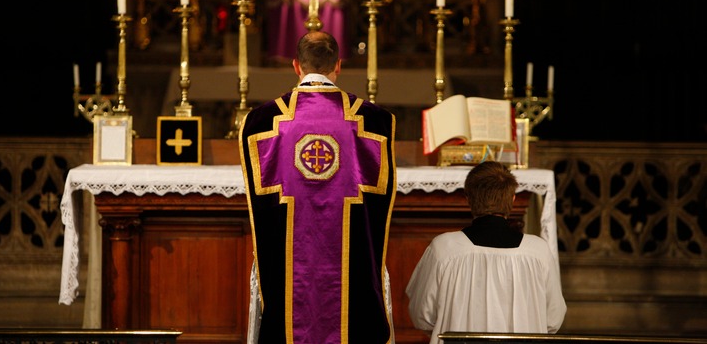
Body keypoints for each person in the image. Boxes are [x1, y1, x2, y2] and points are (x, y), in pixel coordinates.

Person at [239, 31, 397, 344]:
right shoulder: (372, 121)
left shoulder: (263, 122)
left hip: (288, 270)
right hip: (352, 270)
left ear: (296, 66)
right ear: (338, 65)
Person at [406, 161, 566, 342]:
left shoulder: (444, 248)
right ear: (512, 199)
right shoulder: (538, 252)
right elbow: (553, 319)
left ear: (468, 198)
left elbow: (422, 314)